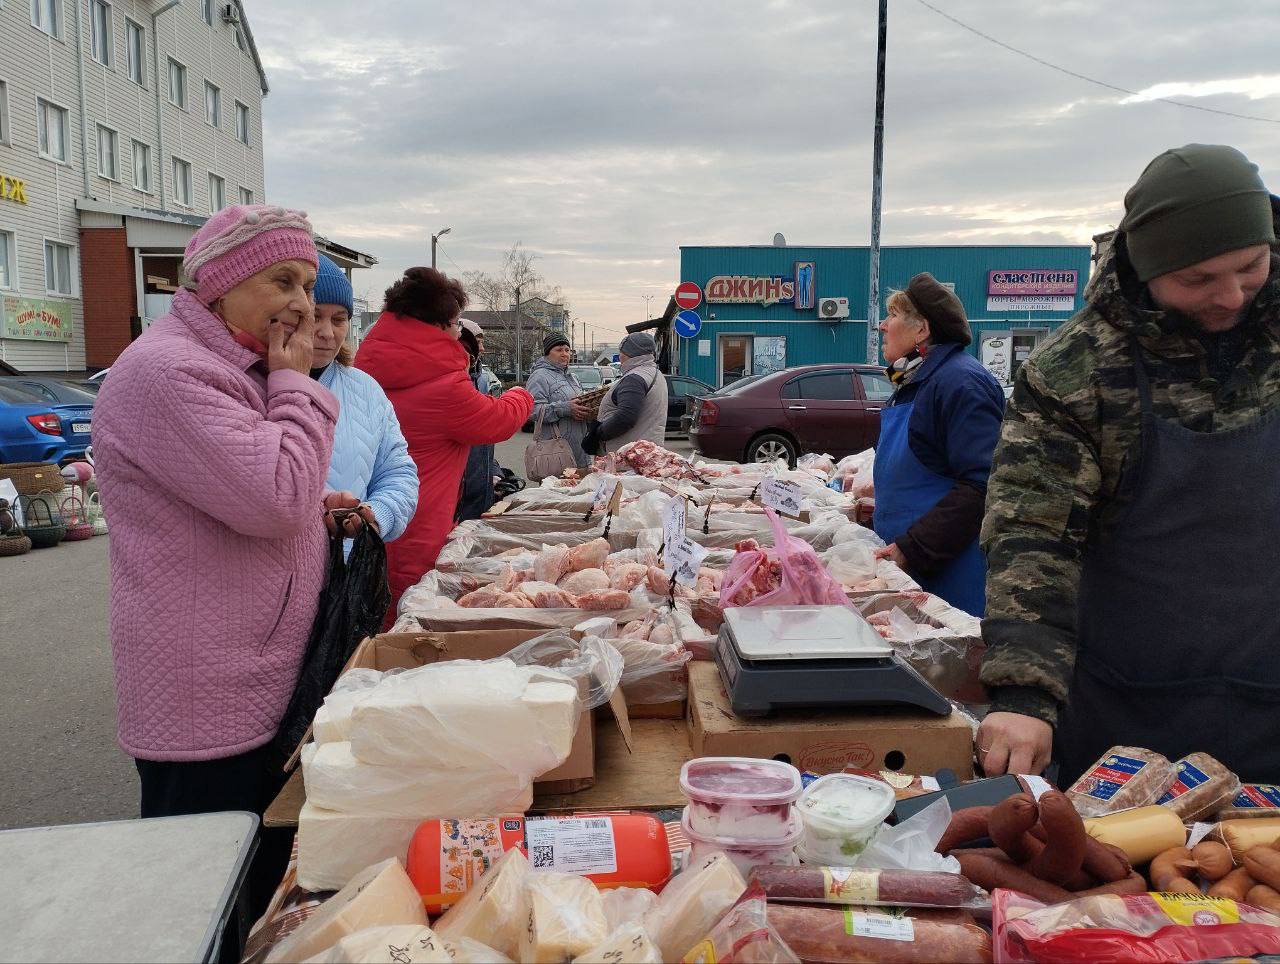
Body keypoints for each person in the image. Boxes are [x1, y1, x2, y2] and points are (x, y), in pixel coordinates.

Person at [977, 144, 1280, 782]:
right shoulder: (1075, 370)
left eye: (1251, 267)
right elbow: (1035, 536)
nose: (1230, 295)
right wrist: (1025, 695)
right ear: (1147, 266)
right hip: (1126, 722)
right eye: (1199, 279)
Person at [93, 204, 352, 912]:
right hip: (207, 697)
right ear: (219, 285)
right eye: (283, 281)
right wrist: (297, 385)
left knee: (259, 884)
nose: (302, 303)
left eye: (306, 283)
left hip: (255, 676)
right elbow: (272, 499)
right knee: (206, 903)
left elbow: (246, 487)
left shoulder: (228, 364)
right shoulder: (172, 372)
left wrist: (315, 503)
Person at [356, 267, 534, 615]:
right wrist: (520, 395)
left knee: (372, 600)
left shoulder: (364, 371)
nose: (458, 333)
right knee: (407, 612)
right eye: (456, 324)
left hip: (370, 515)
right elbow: (496, 421)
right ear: (437, 326)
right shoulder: (443, 386)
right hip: (418, 519)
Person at [870, 273, 1005, 617]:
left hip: (950, 577)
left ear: (922, 330)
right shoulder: (913, 381)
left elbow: (982, 485)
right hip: (910, 571)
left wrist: (912, 547)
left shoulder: (960, 382)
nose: (882, 326)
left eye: (893, 316)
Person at [310, 254, 418, 547]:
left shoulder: (365, 390)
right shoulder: (251, 385)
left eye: (338, 319)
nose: (327, 332)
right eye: (314, 315)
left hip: (349, 570)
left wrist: (377, 515)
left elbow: (397, 472)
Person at [583, 331, 669, 454]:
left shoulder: (634, 378)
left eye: (622, 352)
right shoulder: (655, 373)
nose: (620, 356)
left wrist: (598, 432)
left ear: (630, 353)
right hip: (644, 450)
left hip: (627, 454)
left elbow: (626, 417)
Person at [456, 318, 504, 520]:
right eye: (478, 342)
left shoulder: (482, 380)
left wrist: (494, 471)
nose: (482, 348)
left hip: (482, 485)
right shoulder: (453, 382)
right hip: (458, 490)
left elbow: (484, 438)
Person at [524, 332, 593, 469]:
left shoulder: (572, 377)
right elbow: (532, 411)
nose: (564, 354)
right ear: (547, 353)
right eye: (559, 350)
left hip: (580, 450)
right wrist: (565, 408)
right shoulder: (539, 376)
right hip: (556, 452)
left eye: (567, 350)